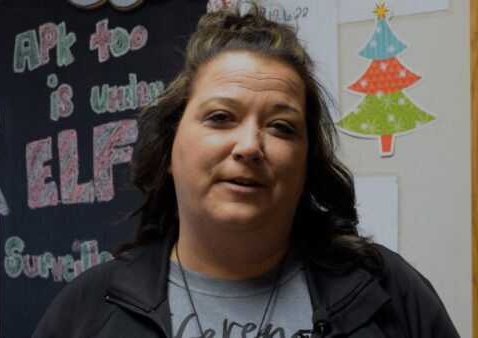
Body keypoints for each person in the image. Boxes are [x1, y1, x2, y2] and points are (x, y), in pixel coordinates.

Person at [33, 3, 459, 337]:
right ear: (167, 150)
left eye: (281, 126)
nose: (251, 146)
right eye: (220, 118)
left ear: (307, 165)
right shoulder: (85, 313)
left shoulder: (389, 294)